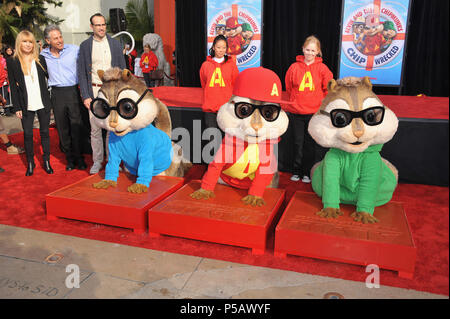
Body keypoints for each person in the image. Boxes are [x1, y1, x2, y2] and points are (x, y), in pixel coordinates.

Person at [77, 13, 126, 174]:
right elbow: (82, 73)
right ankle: (97, 161)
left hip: (112, 91)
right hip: (95, 91)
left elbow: (123, 70)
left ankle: (113, 161)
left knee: (112, 128)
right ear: (92, 27)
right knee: (96, 129)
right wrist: (86, 96)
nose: (101, 27)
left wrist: (121, 92)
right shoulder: (85, 46)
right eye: (98, 25)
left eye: (103, 24)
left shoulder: (115, 44)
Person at [284, 35, 333, 183]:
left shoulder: (323, 69)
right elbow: (289, 86)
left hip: (313, 113)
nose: (310, 53)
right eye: (307, 50)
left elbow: (328, 89)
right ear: (303, 49)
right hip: (297, 112)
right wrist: (295, 101)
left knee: (310, 145)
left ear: (318, 52)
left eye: (313, 50)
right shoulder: (294, 67)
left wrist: (320, 104)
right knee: (298, 143)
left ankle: (307, 172)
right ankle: (296, 170)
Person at [6, 30, 54, 176]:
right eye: (24, 41)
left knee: (45, 133)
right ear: (19, 43)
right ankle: (30, 163)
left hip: (42, 101)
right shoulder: (13, 61)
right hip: (25, 103)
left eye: (30, 42)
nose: (28, 45)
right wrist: (17, 107)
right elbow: (13, 87)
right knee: (27, 134)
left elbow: (51, 76)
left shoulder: (40, 59)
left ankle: (46, 161)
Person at [41, 24, 87, 171]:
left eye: (60, 36)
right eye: (55, 38)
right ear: (48, 41)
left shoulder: (74, 50)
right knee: (62, 128)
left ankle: (79, 157)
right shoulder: (43, 56)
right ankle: (69, 158)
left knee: (76, 126)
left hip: (73, 91)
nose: (60, 40)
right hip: (56, 93)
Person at [199, 35, 239, 163]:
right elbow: (203, 83)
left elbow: (235, 84)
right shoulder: (205, 65)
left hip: (226, 108)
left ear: (227, 48)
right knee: (212, 139)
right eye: (218, 47)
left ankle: (225, 168)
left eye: (223, 47)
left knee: (226, 139)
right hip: (210, 108)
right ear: (213, 48)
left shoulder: (231, 65)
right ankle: (211, 168)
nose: (221, 50)